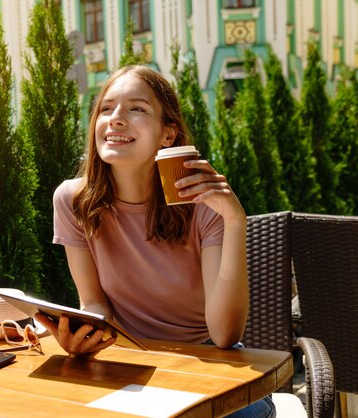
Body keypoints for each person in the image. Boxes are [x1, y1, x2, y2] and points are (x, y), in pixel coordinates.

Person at [36, 65, 275, 418]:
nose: (116, 118)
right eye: (106, 108)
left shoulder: (203, 205)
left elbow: (225, 335)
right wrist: (85, 334)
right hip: (130, 360)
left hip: (208, 359)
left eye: (137, 108)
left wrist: (235, 221)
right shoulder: (73, 200)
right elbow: (94, 303)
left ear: (168, 134)